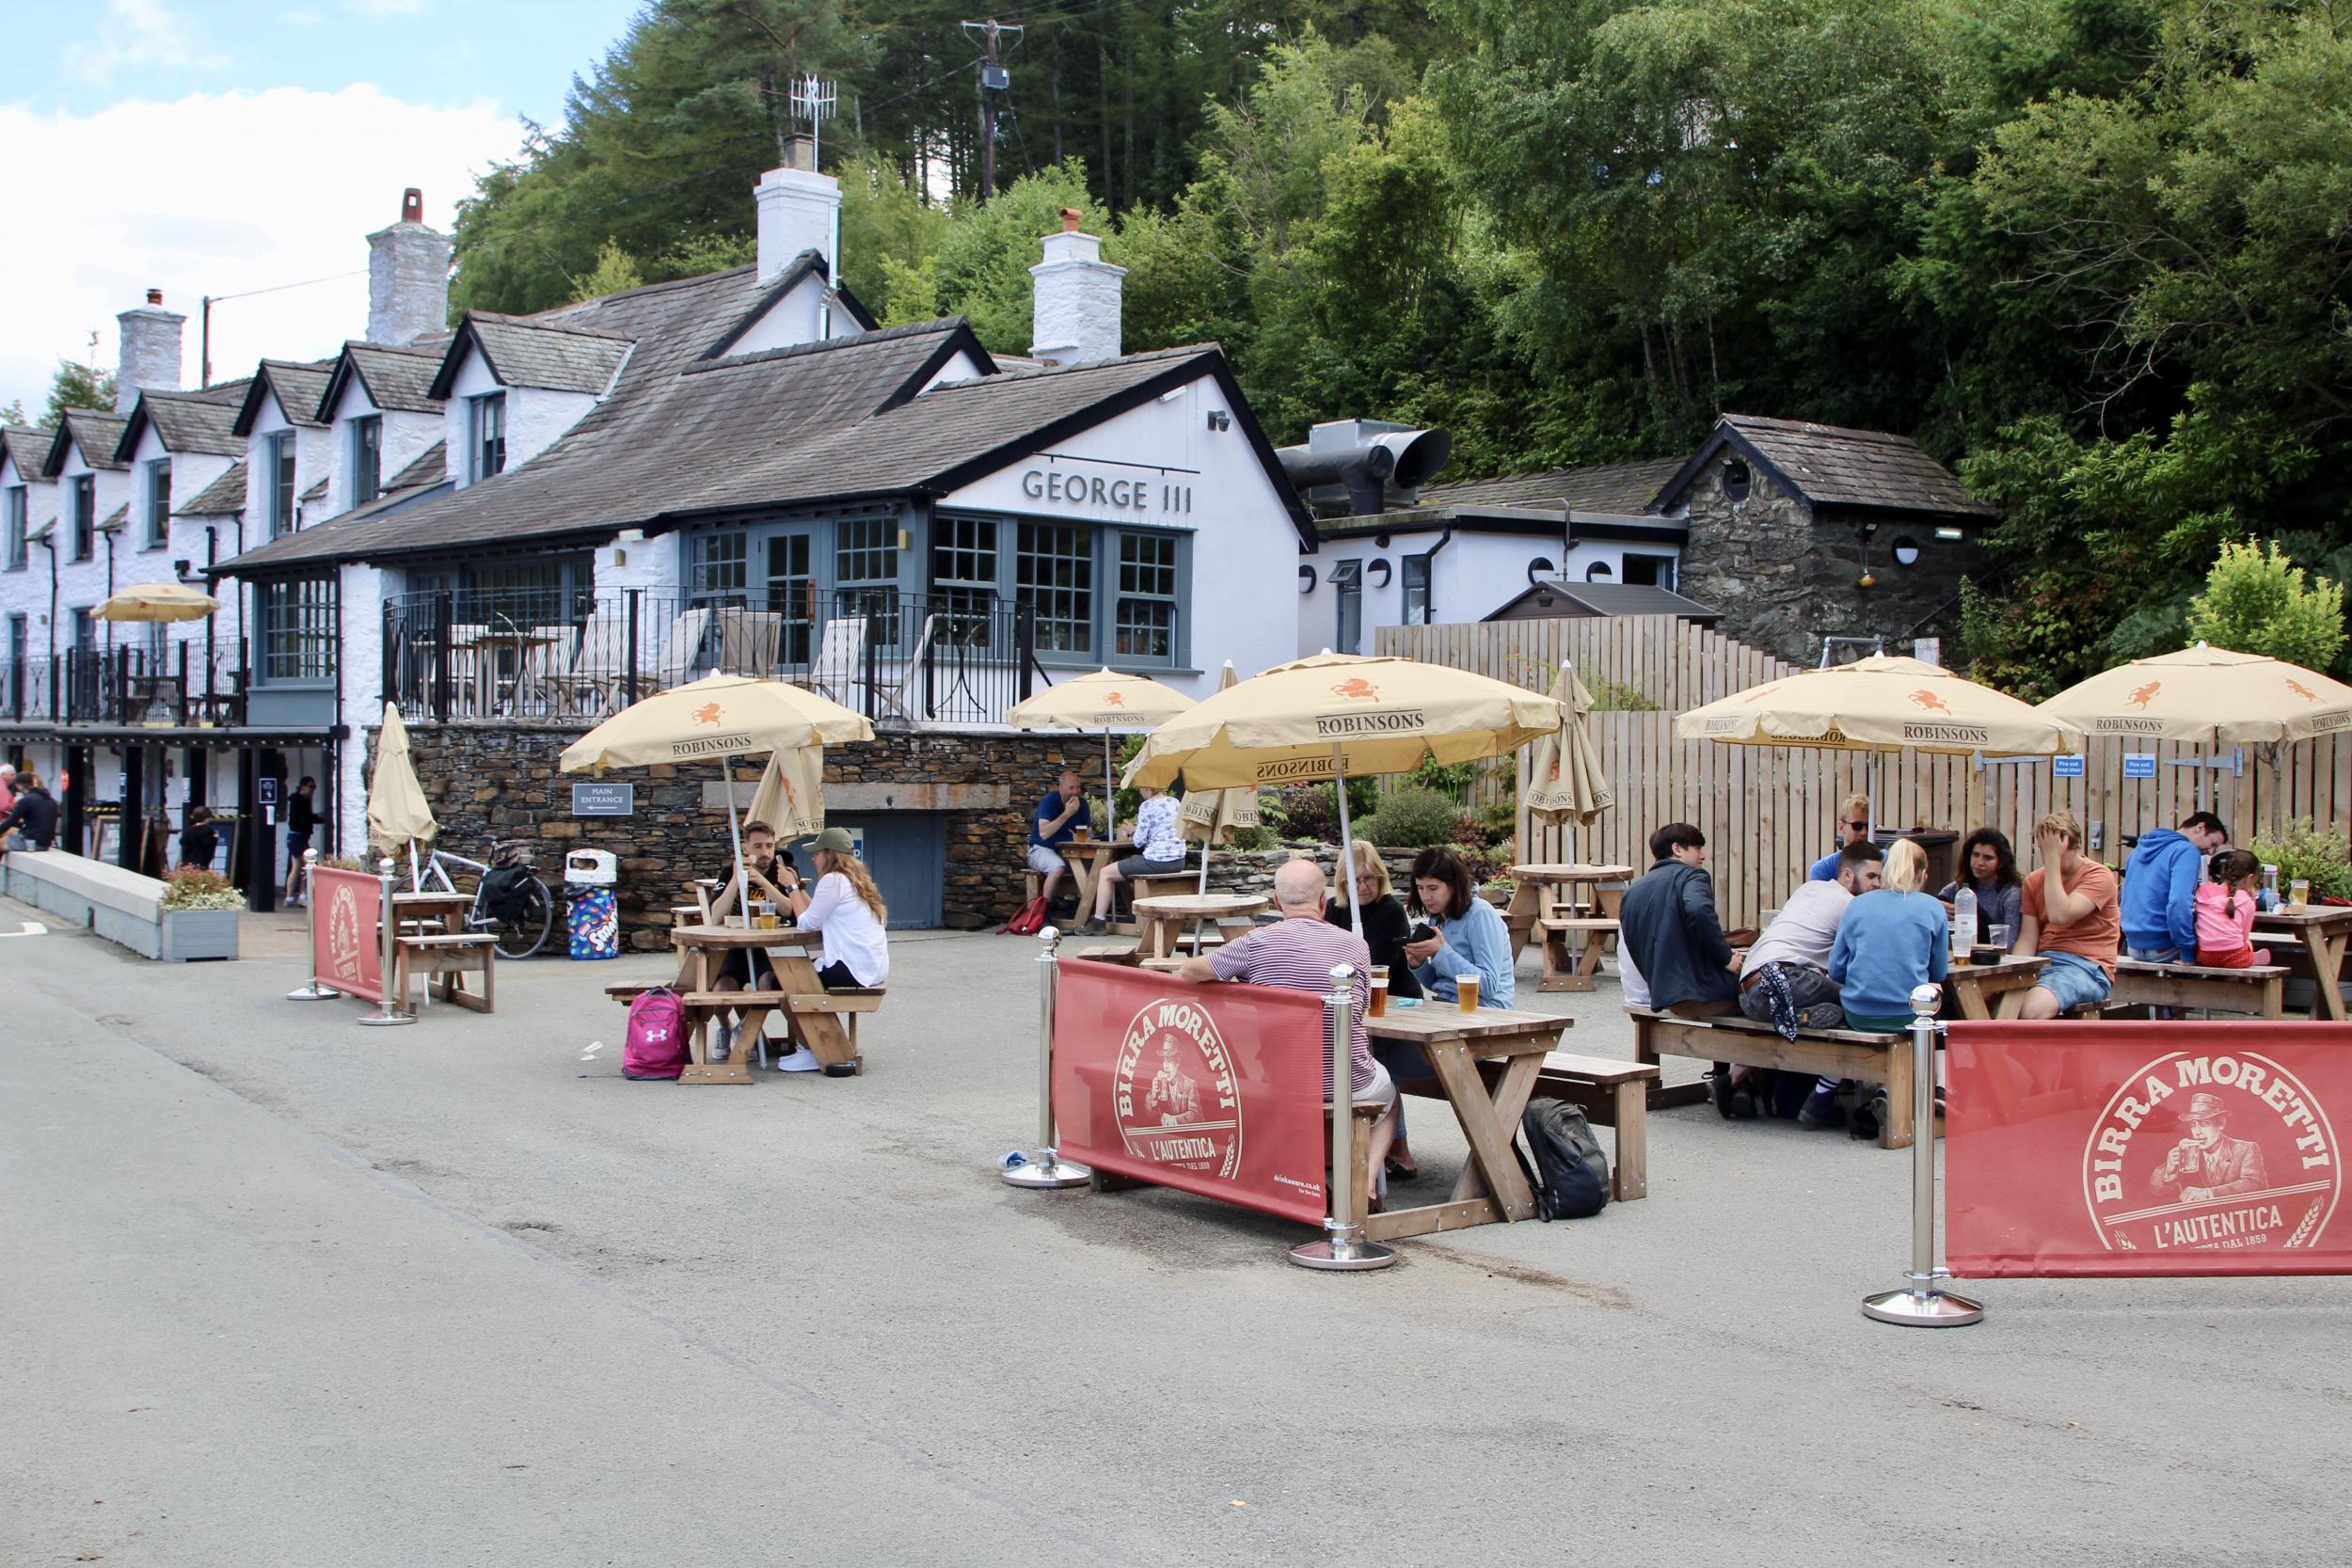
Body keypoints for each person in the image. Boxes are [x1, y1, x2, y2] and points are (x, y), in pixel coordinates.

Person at [1180, 858, 1397, 1189]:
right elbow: (1362, 1009)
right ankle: (1364, 1184)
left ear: (1276, 901)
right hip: (1347, 1085)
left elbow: (1190, 972)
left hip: (1283, 1082)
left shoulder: (1256, 944)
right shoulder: (1356, 946)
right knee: (1391, 1095)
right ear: (1323, 900)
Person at [1734, 840, 1883, 1125]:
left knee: (1837, 997)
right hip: (1786, 979)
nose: (1878, 884)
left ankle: (1801, 1016)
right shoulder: (1850, 905)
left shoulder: (1808, 889)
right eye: (1872, 877)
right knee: (1863, 1001)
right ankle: (1827, 1095)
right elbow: (1869, 958)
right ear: (1849, 875)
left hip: (1748, 992)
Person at [1827, 838, 1952, 1138]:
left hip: (1859, 1012)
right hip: (1907, 1014)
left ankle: (1882, 1090)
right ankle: (1940, 1088)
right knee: (1940, 1012)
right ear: (1922, 874)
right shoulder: (1932, 908)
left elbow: (1836, 969)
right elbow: (1938, 973)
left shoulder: (1858, 904)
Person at [1618, 822, 1740, 1017]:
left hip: (1661, 995)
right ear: (1677, 849)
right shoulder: (1692, 876)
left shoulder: (1632, 891)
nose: (1702, 856)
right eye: (1697, 848)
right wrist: (1726, 958)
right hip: (1701, 995)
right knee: (1769, 995)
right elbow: (1699, 910)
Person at [2015, 810, 2122, 1019]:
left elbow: (2060, 915)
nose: (2051, 859)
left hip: (2086, 966)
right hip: (2043, 961)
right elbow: (2028, 939)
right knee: (1991, 1000)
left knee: (2031, 1010)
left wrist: (2052, 861)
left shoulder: (2099, 875)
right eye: (2046, 852)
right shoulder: (2033, 881)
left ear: (2078, 847)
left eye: (2058, 853)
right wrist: (2012, 972)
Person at [776, 826, 890, 992]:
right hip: (872, 969)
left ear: (830, 855)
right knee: (791, 975)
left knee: (780, 980)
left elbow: (806, 923)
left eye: (817, 854)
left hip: (851, 970)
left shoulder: (832, 880)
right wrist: (799, 889)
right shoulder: (855, 880)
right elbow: (817, 914)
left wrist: (790, 887)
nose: (813, 859)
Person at [1403, 845, 1515, 1009]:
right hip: (1449, 1006)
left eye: (1433, 888)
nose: (1426, 896)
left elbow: (1488, 985)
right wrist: (1419, 964)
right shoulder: (1438, 917)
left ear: (1453, 885)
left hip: (1487, 1010)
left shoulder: (1480, 914)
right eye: (1420, 888)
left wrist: (1441, 952)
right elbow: (1439, 983)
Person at [2119, 810, 2229, 963]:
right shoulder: (2186, 851)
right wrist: (2187, 951)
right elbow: (2178, 903)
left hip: (2133, 947)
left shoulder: (2138, 850)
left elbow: (2125, 897)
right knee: (2225, 946)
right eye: (2213, 843)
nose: (2211, 852)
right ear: (2200, 827)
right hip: (2164, 948)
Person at [1082, 782, 1184, 934]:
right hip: (1178, 861)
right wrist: (1138, 829)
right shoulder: (1175, 802)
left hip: (1156, 861)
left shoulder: (1147, 806)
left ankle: (1099, 922)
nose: (1140, 792)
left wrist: (1131, 831)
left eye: (1140, 789)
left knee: (1105, 873)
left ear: (1148, 787)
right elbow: (1163, 829)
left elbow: (1138, 842)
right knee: (1125, 865)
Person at [2146, 1092, 2266, 1203]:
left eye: (2203, 1124)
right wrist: (2169, 1169)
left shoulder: (2245, 1149)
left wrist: (2209, 1193)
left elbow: (2256, 1184)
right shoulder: (2188, 1154)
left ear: (2221, 1123)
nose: (2197, 1132)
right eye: (2193, 1125)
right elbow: (2156, 1191)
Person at [1936, 828, 2023, 946]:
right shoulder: (1956, 888)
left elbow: (2009, 943)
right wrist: (1937, 908)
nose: (1979, 862)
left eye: (1988, 858)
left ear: (2001, 863)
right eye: (1976, 855)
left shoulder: (2011, 894)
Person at [2192, 848, 2271, 969]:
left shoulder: (2203, 892)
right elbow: (2244, 936)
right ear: (2250, 878)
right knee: (2247, 944)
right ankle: (2253, 957)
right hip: (2235, 958)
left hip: (2205, 956)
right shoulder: (2246, 901)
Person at [1026, 767, 1090, 915]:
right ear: (1060, 788)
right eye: (1071, 788)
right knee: (1057, 867)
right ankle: (1044, 911)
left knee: (1096, 866)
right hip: (1042, 848)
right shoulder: (1049, 801)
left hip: (1069, 851)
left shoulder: (1082, 804)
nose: (1075, 792)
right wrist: (1067, 814)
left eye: (1078, 787)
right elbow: (1044, 833)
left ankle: (1078, 909)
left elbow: (1087, 832)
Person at [1806, 793, 1874, 881]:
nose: (1864, 832)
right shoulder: (1824, 869)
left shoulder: (1883, 862)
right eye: (1857, 826)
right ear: (1842, 827)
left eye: (1868, 826)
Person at [0, 769, 57, 854]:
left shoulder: (26, 800)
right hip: (46, 843)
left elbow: (11, 821)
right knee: (12, 831)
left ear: (19, 786)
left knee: (1, 842)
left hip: (32, 843)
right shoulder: (51, 800)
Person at [281, 776, 317, 905]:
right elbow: (300, 819)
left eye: (314, 787)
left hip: (297, 837)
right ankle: (301, 895)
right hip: (297, 837)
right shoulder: (299, 801)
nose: (313, 790)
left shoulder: (302, 800)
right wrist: (316, 818)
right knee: (306, 866)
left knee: (299, 867)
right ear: (303, 787)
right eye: (311, 787)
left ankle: (292, 897)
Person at [179, 805, 219, 871]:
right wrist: (215, 838)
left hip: (188, 862)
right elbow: (207, 844)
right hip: (202, 862)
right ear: (207, 818)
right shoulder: (208, 830)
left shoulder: (189, 829)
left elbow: (182, 841)